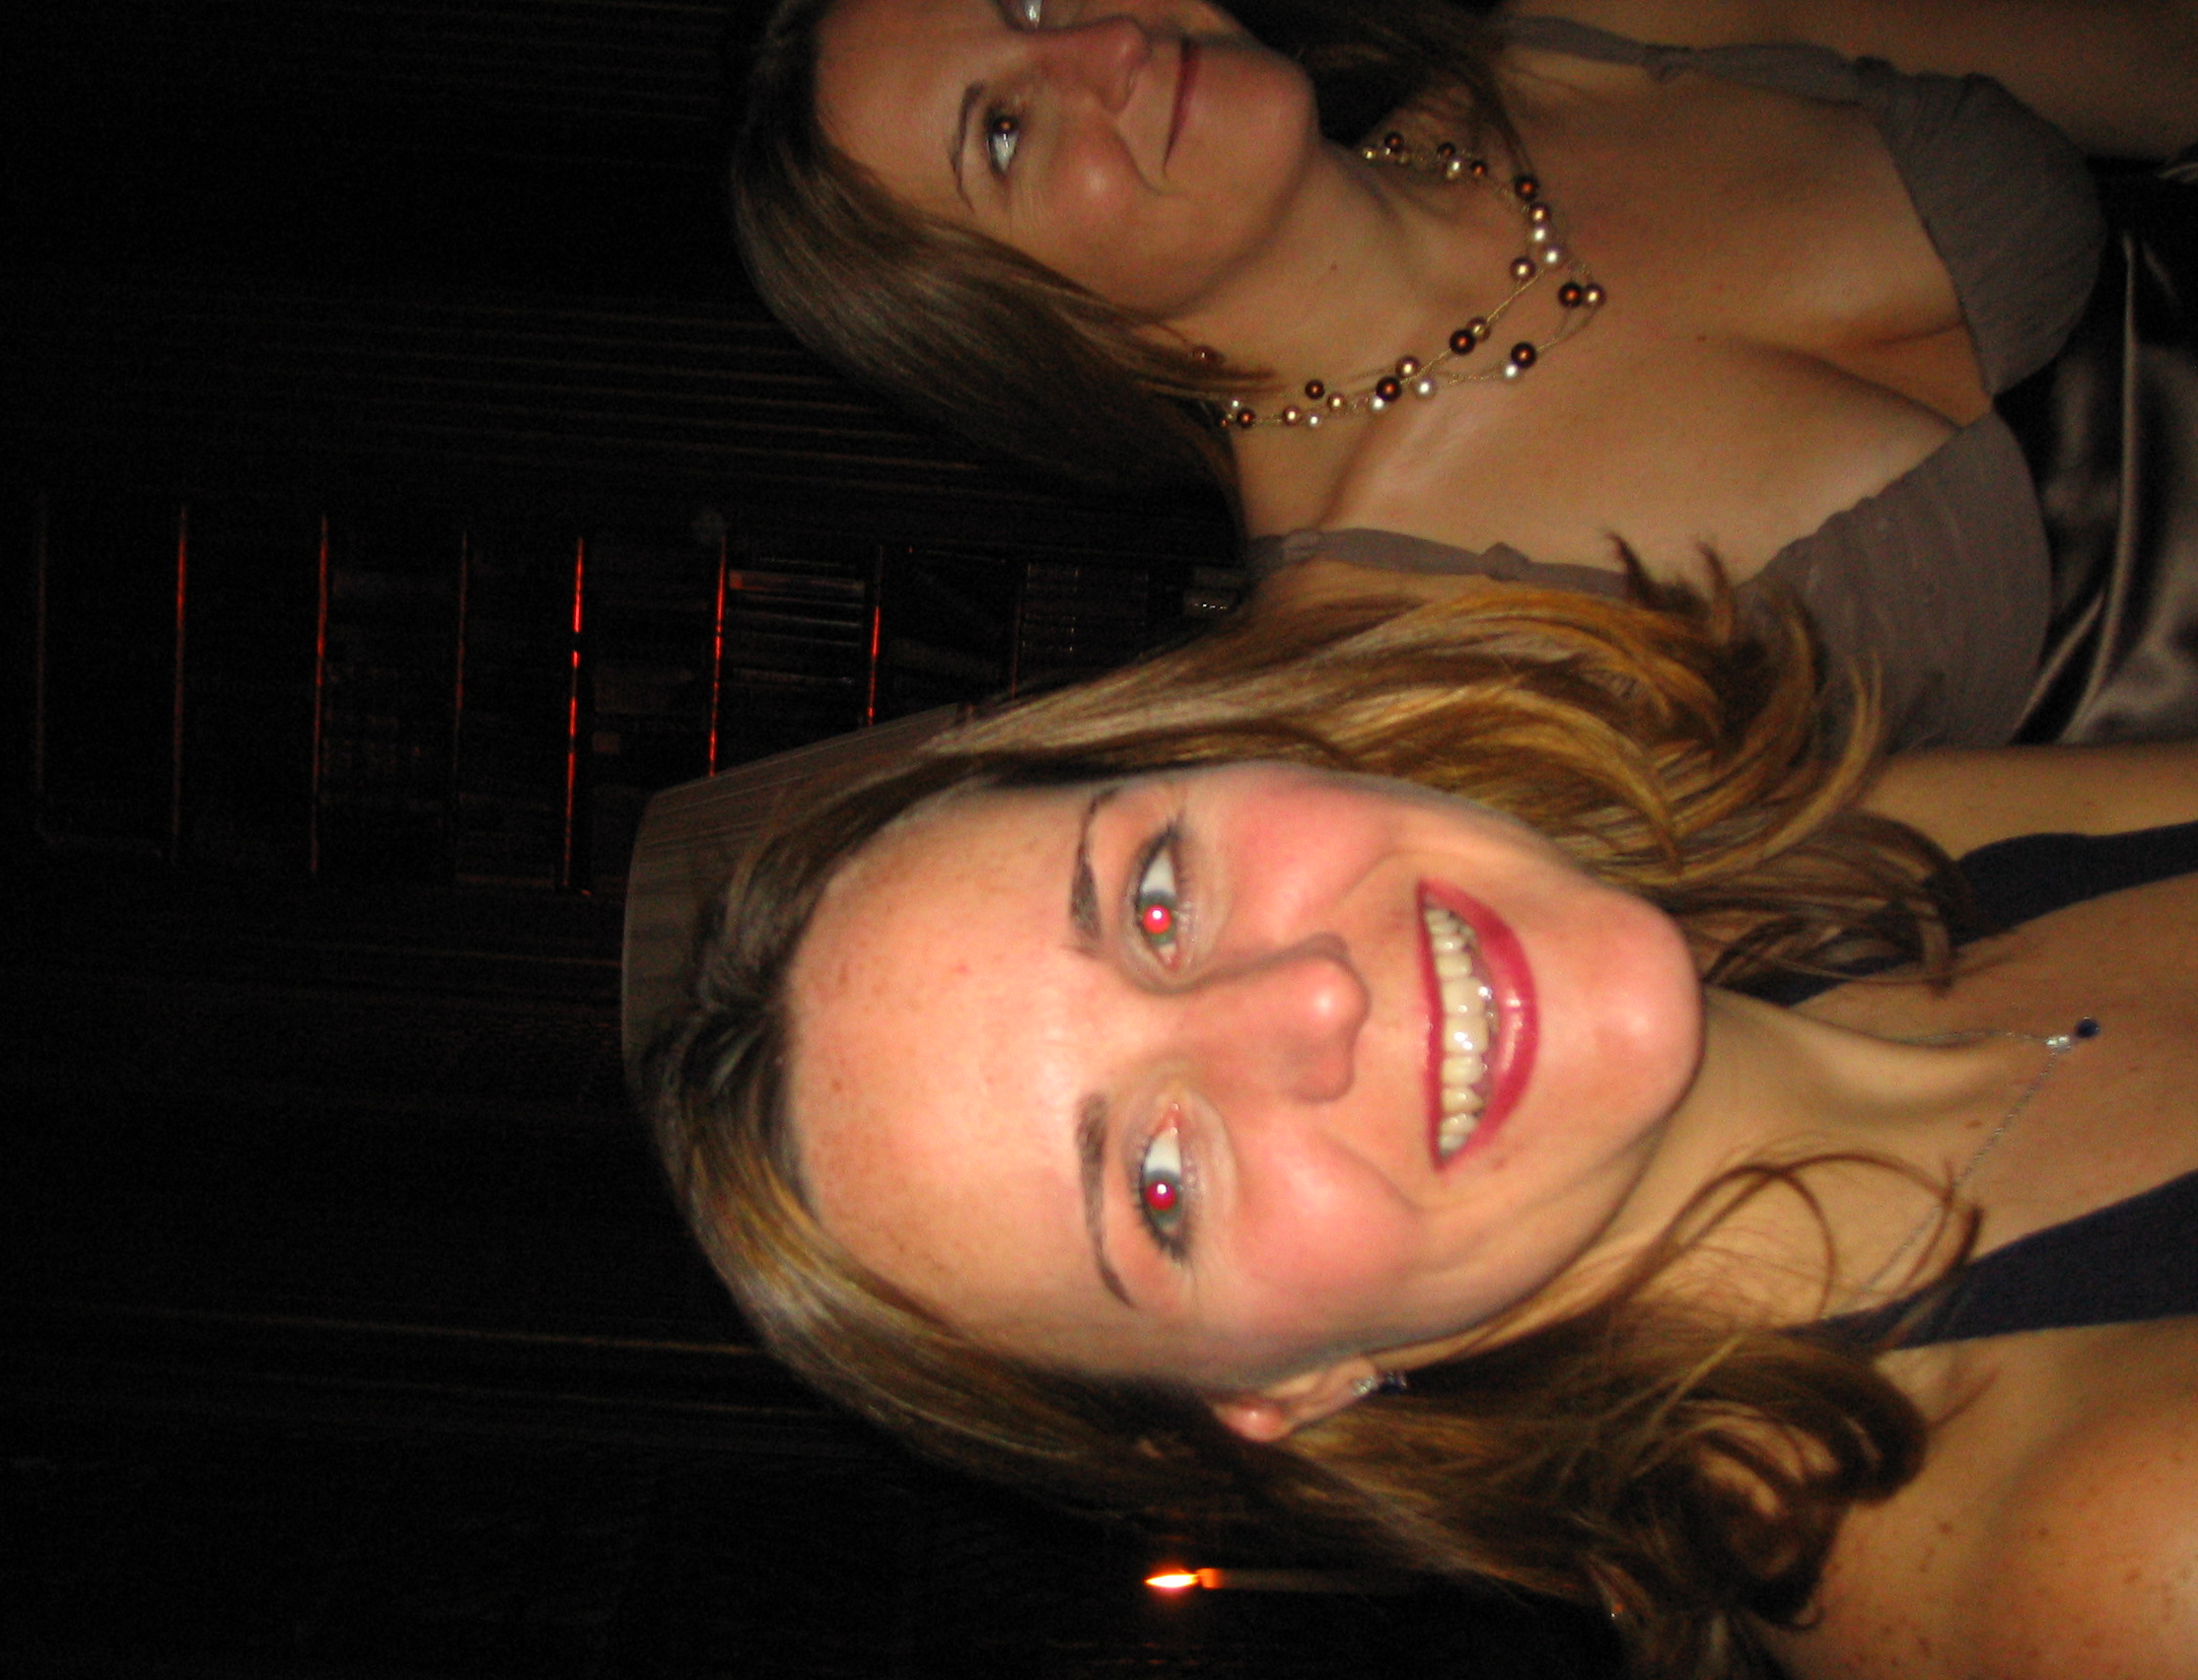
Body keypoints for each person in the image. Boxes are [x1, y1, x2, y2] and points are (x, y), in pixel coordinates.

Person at [642, 579, 2198, 1679]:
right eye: (1163, 1184)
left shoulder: (1834, 868)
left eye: (1157, 900)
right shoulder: (2097, 1546)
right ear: (1282, 1385)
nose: (1311, 1000)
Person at [729, 0, 2198, 749]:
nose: (1107, 41)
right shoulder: (1395, 662)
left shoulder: (1590, 36)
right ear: (1004, 323)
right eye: (1003, 131)